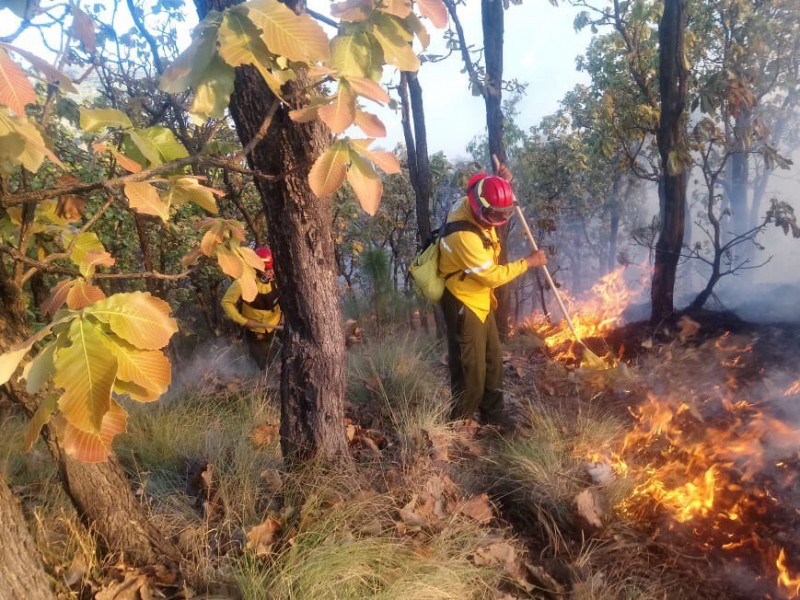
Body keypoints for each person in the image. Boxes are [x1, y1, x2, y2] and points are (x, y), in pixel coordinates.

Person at [437, 169, 547, 425]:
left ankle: (493, 417)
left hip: (481, 300)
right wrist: (528, 262)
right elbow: (491, 277)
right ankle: (459, 426)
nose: (492, 223)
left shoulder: (473, 198)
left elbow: (483, 185)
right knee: (470, 370)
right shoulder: (463, 236)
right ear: (478, 207)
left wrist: (500, 183)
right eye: (490, 217)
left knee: (492, 361)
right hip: (464, 301)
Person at [221, 247, 282, 370]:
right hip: (255, 330)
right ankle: (264, 381)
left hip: (276, 324)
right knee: (261, 362)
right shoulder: (244, 281)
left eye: (272, 268)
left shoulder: (278, 278)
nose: (271, 272)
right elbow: (226, 302)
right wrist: (244, 321)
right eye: (267, 269)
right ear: (257, 269)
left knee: (281, 354)